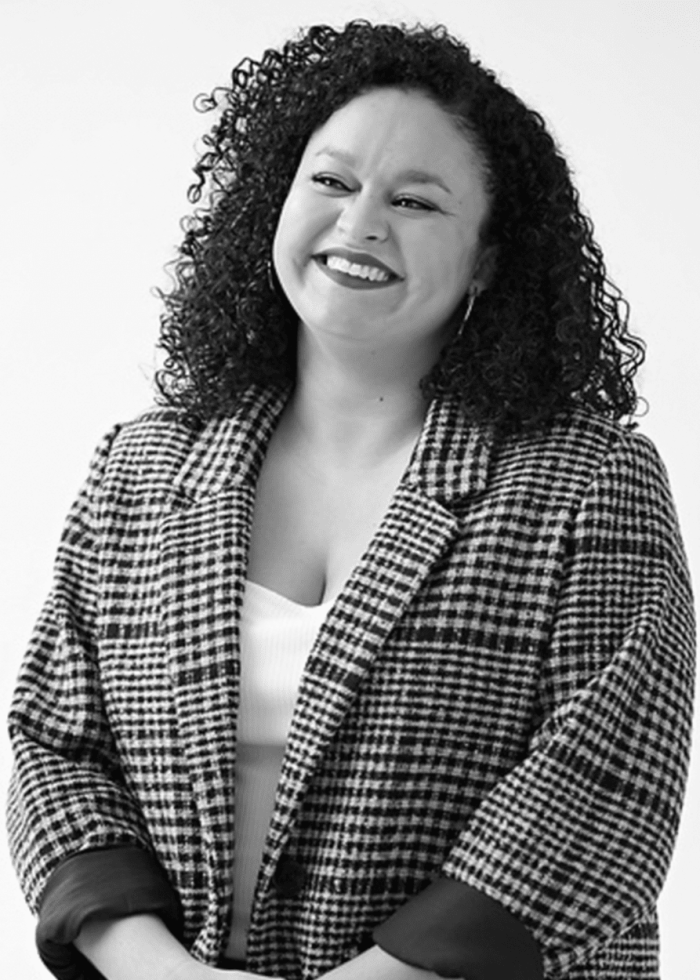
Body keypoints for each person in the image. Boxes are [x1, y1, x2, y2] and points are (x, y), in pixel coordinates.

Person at [7, 19, 695, 980]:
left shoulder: (588, 479)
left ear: (489, 259)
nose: (361, 222)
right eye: (330, 182)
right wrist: (156, 969)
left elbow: (608, 789)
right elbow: (54, 744)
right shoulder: (143, 465)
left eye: (415, 200)